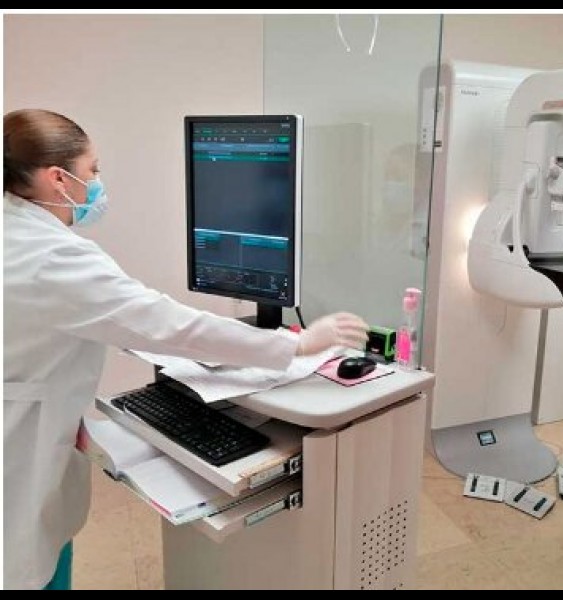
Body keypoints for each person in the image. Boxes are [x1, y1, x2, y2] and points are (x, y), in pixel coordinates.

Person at [4, 109, 370, 590]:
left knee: (44, 549)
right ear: (57, 178)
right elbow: (165, 324)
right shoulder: (52, 257)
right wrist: (297, 344)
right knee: (28, 561)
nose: (97, 183)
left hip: (30, 429)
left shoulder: (16, 230)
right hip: (17, 452)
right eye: (92, 170)